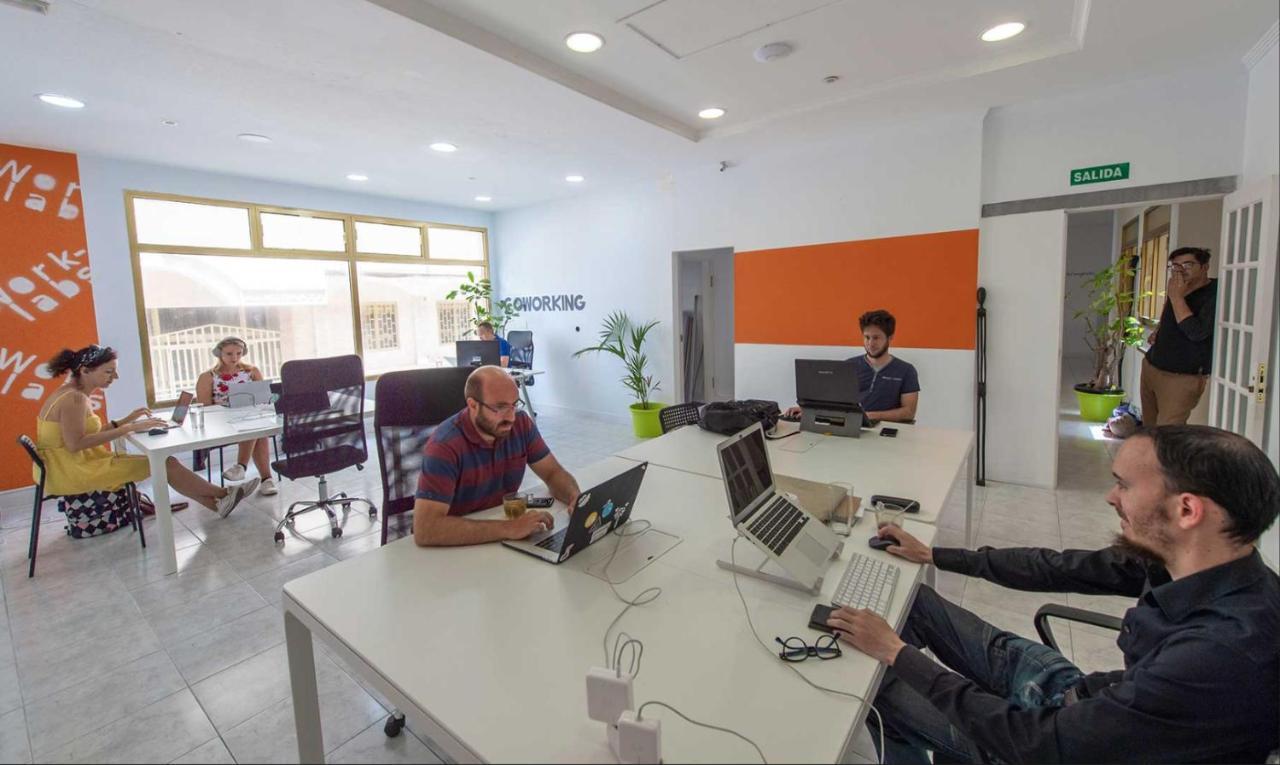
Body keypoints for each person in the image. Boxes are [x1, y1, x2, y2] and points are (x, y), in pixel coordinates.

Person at [826, 425, 1279, 763]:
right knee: (917, 603)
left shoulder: (1216, 656)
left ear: (1187, 509)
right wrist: (937, 555)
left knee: (876, 685)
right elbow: (1058, 565)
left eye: (1124, 484)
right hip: (1082, 696)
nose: (1110, 496)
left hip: (1046, 742)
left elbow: (1038, 742)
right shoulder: (1202, 565)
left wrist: (898, 653)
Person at [36, 345, 259, 518]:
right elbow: (76, 444)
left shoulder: (71, 394)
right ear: (85, 371)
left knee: (165, 463)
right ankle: (223, 495)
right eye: (109, 372)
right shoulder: (74, 399)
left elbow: (82, 436)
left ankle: (219, 504)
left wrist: (126, 420)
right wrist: (129, 428)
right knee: (164, 463)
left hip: (67, 465)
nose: (115, 377)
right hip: (72, 471)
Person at [412, 365, 580, 546]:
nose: (511, 417)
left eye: (514, 405)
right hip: (455, 548)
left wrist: (576, 498)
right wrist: (510, 528)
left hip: (497, 533)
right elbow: (426, 529)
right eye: (500, 407)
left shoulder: (521, 424)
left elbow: (552, 473)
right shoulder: (444, 446)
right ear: (473, 405)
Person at [784, 309, 920, 423]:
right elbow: (832, 400)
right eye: (867, 337)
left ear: (890, 338)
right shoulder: (849, 366)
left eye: (876, 338)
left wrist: (871, 416)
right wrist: (807, 409)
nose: (870, 343)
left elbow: (908, 412)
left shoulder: (906, 370)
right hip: (849, 427)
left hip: (885, 430)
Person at [1141, 246, 1218, 425]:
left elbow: (1197, 332)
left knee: (1168, 434)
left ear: (1205, 266)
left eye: (1187, 265)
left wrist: (1176, 297)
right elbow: (1168, 311)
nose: (1179, 271)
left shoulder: (1214, 294)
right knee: (1149, 427)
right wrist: (1160, 329)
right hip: (1152, 366)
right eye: (1175, 266)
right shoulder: (1179, 287)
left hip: (1181, 377)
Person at [195, 336, 277, 495]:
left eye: (239, 353)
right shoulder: (208, 376)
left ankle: (241, 467)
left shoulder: (251, 371)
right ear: (220, 354)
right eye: (229, 354)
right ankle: (266, 479)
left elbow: (264, 397)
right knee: (256, 427)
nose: (235, 358)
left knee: (254, 423)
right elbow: (205, 407)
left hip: (250, 417)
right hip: (222, 420)